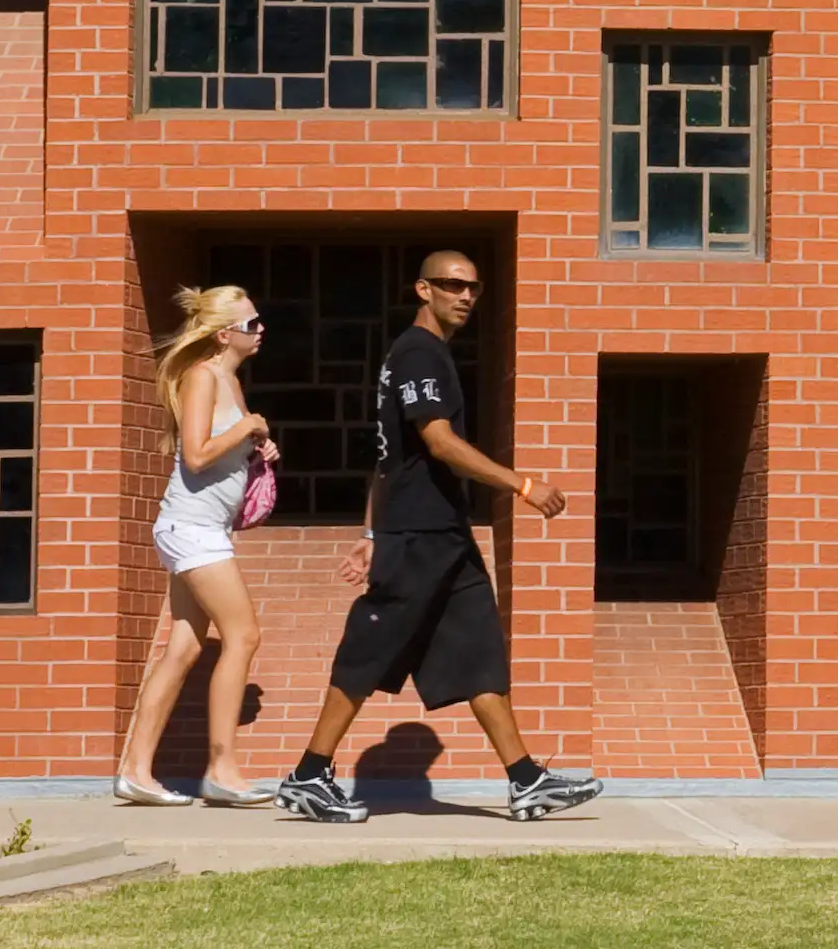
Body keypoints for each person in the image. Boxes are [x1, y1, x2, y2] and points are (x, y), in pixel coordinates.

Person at [273, 249, 603, 823]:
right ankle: (308, 776)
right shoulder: (420, 353)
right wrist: (523, 486)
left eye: (474, 287)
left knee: (480, 656)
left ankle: (526, 781)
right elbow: (439, 442)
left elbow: (385, 457)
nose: (466, 295)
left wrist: (369, 529)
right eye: (452, 285)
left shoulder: (422, 355)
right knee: (367, 653)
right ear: (422, 289)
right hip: (420, 534)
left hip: (443, 533)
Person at [115, 284, 278, 807]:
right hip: (191, 528)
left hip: (204, 528)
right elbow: (196, 455)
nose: (260, 331)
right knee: (244, 635)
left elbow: (224, 452)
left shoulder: (229, 380)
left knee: (184, 647)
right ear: (224, 333)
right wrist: (247, 428)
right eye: (252, 324)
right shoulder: (202, 376)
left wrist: (258, 448)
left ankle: (136, 772)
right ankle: (222, 770)